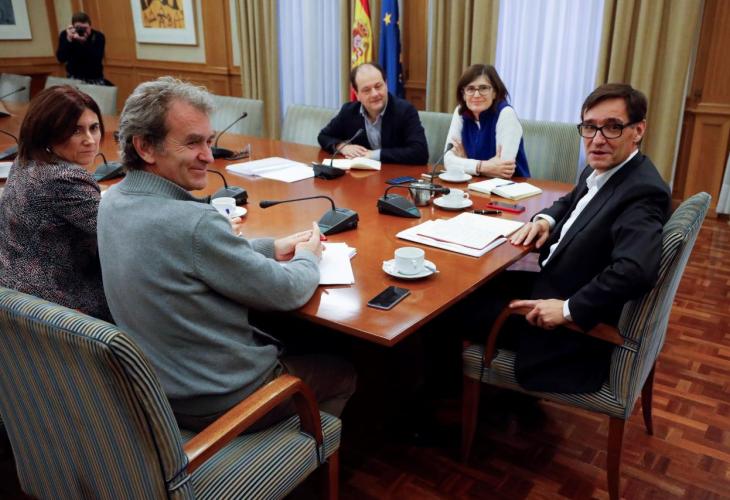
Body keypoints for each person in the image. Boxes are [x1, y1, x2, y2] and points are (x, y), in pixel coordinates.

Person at [98, 77, 356, 430]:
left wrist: (269, 247)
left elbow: (185, 255)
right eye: (192, 143)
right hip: (224, 399)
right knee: (344, 370)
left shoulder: (111, 201)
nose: (208, 156)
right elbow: (286, 291)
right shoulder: (194, 222)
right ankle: (295, 454)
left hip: (158, 390)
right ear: (145, 147)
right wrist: (308, 255)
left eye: (209, 141)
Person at [447, 83, 670, 394]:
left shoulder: (642, 192)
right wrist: (545, 220)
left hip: (566, 329)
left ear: (638, 130)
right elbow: (571, 200)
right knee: (463, 287)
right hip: (555, 282)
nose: (597, 139)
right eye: (590, 127)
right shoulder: (608, 170)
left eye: (612, 127)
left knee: (445, 312)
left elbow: (635, 270)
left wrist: (568, 309)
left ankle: (439, 400)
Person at [0, 85, 111, 321]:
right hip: (59, 306)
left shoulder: (26, 159)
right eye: (76, 131)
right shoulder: (65, 178)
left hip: (15, 289)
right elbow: (119, 233)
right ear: (47, 132)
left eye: (94, 128)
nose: (90, 140)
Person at [318, 62, 428, 165]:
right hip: (362, 175)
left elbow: (420, 152)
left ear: (386, 84)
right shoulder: (349, 112)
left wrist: (373, 155)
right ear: (357, 94)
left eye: (378, 86)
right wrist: (342, 147)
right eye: (366, 90)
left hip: (396, 174)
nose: (375, 94)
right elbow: (323, 136)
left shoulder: (405, 111)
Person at [444, 64, 530, 179]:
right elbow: (448, 161)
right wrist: (481, 166)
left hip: (510, 186)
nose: (476, 95)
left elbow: (504, 170)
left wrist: (464, 161)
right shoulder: (461, 112)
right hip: (473, 184)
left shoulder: (506, 114)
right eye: (470, 89)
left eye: (483, 88)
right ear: (463, 94)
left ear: (495, 92)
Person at [56, 12, 106, 85]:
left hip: (94, 79)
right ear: (73, 27)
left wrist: (84, 42)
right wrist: (68, 40)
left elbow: (97, 59)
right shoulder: (66, 35)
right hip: (73, 78)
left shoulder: (98, 36)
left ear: (90, 26)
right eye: (78, 28)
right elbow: (61, 58)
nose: (82, 31)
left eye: (85, 28)